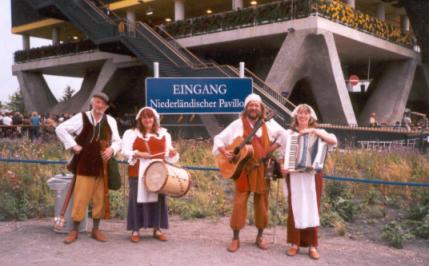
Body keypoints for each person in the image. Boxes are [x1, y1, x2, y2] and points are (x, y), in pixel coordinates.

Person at [213, 93, 284, 252]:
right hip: (243, 170)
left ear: (261, 108)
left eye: (256, 105)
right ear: (246, 108)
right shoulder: (237, 124)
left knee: (262, 205)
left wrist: (270, 149)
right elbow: (218, 138)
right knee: (239, 204)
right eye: (251, 105)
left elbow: (284, 135)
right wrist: (225, 152)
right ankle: (235, 238)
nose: (253, 108)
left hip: (262, 169)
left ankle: (260, 236)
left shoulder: (270, 124)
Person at [55, 92, 121, 244]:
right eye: (98, 102)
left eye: (103, 104)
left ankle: (96, 229)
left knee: (100, 199)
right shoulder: (82, 117)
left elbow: (118, 141)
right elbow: (60, 129)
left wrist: (112, 149)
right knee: (80, 198)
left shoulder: (110, 120)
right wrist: (73, 145)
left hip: (102, 167)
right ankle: (74, 230)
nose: (100, 106)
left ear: (106, 106)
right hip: (84, 165)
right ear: (92, 102)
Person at [281, 104, 337, 260]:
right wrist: (283, 166)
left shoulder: (319, 133)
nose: (303, 116)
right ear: (296, 116)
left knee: (312, 208)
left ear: (311, 116)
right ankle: (294, 244)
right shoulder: (289, 134)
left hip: (312, 176)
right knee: (295, 208)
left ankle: (312, 245)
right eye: (300, 113)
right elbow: (281, 154)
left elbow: (333, 140)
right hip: (295, 175)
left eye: (306, 113)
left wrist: (313, 130)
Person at [121, 107, 178, 243]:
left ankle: (157, 229)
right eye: (145, 117)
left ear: (155, 119)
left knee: (158, 200)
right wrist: (139, 153)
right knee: (136, 200)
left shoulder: (164, 134)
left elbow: (168, 153)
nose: (148, 120)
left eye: (150, 117)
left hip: (158, 173)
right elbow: (125, 151)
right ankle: (135, 230)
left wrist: (172, 153)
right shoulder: (131, 134)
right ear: (140, 120)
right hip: (137, 172)